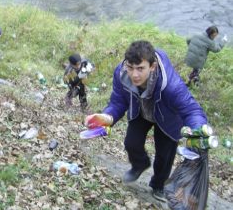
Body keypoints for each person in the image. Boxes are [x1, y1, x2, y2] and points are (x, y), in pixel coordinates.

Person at [86, 40, 208, 202]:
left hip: (168, 117)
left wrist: (198, 129)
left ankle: (158, 185)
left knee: (164, 156)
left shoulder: (171, 85)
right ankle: (139, 165)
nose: (134, 75)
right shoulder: (121, 73)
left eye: (140, 68)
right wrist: (106, 118)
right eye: (130, 68)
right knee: (131, 143)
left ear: (152, 66)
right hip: (141, 110)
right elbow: (117, 102)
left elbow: (191, 110)